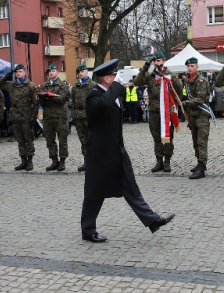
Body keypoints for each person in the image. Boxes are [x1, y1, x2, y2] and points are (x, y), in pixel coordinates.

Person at [80, 59, 175, 243]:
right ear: (107, 78)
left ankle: (152, 220)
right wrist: (116, 87)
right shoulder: (93, 95)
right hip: (100, 154)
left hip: (116, 151)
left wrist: (116, 89)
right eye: (114, 76)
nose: (118, 79)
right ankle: (88, 229)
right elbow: (102, 106)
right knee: (94, 192)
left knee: (130, 187)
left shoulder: (111, 94)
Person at [134, 51, 183, 172]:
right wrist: (145, 68)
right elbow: (137, 82)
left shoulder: (169, 75)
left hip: (166, 111)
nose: (157, 63)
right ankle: (159, 161)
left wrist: (174, 104)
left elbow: (179, 89)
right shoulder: (151, 76)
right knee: (156, 137)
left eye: (159, 61)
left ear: (164, 61)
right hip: (154, 111)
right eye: (155, 61)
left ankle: (167, 161)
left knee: (167, 136)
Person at [0, 64, 39, 171]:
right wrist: (7, 75)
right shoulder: (12, 85)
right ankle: (23, 160)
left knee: (28, 139)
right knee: (20, 140)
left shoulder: (30, 85)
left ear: (25, 72)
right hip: (15, 116)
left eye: (20, 71)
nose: (18, 73)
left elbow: (35, 103)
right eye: (17, 72)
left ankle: (29, 161)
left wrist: (33, 118)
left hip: (26, 116)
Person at [182, 57, 213, 179]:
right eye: (188, 66)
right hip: (193, 116)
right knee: (195, 141)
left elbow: (200, 99)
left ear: (197, 67)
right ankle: (199, 162)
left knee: (201, 142)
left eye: (192, 66)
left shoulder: (201, 80)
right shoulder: (188, 81)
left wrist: (185, 103)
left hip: (202, 116)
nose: (190, 68)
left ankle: (202, 167)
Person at [38, 64, 71, 171]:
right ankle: (54, 161)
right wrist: (44, 97)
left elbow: (62, 99)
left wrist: (51, 96)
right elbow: (40, 100)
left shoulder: (62, 85)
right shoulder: (44, 85)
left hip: (60, 117)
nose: (51, 73)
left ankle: (62, 161)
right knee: (49, 140)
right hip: (48, 117)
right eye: (49, 71)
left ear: (57, 72)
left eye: (53, 71)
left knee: (62, 140)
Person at [71, 64, 96, 172]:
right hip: (79, 117)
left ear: (87, 72)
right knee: (83, 140)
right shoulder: (75, 87)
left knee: (93, 140)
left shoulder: (93, 85)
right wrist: (74, 115)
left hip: (89, 116)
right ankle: (86, 161)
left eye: (83, 71)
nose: (81, 73)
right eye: (79, 72)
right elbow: (72, 102)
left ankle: (95, 162)